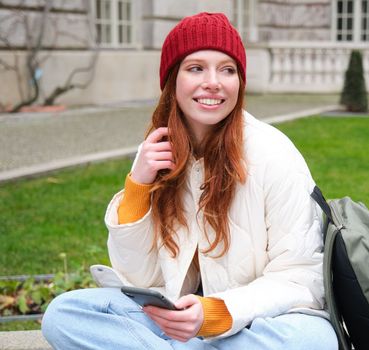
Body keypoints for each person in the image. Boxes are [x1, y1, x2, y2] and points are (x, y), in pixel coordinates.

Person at [42, 12, 337, 350]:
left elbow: (302, 278)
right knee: (66, 313)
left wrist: (217, 313)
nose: (213, 82)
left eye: (227, 70)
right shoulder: (159, 154)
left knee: (313, 340)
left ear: (239, 82)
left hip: (263, 320)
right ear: (173, 81)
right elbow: (143, 281)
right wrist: (137, 187)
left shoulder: (274, 154)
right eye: (196, 68)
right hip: (180, 321)